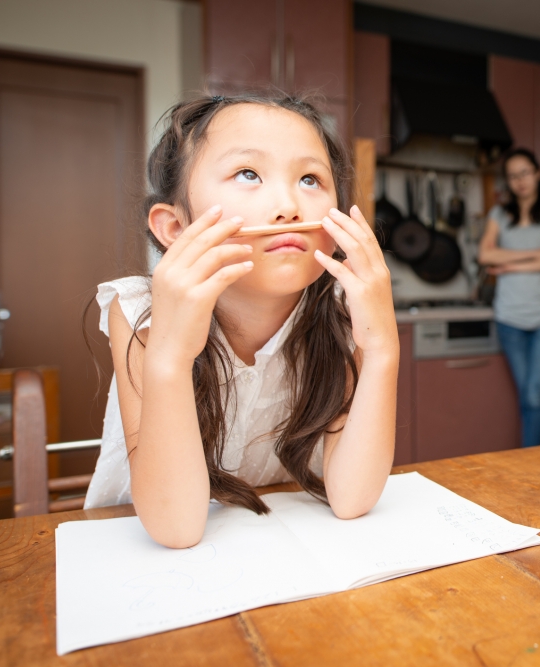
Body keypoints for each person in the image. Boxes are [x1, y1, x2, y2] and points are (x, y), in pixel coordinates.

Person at [83, 93, 399, 549]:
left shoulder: (340, 310)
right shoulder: (139, 310)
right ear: (174, 228)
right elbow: (175, 529)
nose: (290, 206)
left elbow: (352, 498)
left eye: (310, 179)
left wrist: (382, 349)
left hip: (277, 543)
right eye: (248, 174)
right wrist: (171, 357)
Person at [478, 148, 540, 449]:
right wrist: (537, 252)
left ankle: (533, 461)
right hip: (510, 317)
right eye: (513, 175)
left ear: (538, 173)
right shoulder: (499, 215)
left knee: (534, 394)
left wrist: (511, 266)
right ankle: (531, 460)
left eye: (525, 173)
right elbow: (485, 254)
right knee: (527, 394)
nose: (520, 181)